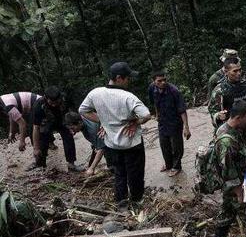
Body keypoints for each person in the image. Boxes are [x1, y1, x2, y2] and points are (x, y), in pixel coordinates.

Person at [79, 62, 151, 210]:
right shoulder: (128, 97)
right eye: (127, 78)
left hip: (112, 143)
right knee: (135, 174)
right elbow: (146, 115)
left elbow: (83, 110)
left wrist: (104, 121)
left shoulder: (95, 93)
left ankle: (121, 202)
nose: (128, 81)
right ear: (119, 78)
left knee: (119, 173)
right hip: (132, 143)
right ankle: (137, 202)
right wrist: (136, 122)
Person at [212, 100, 246, 237]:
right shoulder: (227, 141)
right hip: (236, 186)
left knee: (227, 210)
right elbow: (228, 171)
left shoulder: (234, 129)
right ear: (238, 118)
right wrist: (239, 193)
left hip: (238, 183)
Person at [210, 57, 246, 163]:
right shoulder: (220, 90)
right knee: (235, 158)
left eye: (240, 70)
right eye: (235, 71)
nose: (239, 73)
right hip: (232, 129)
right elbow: (212, 109)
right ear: (226, 72)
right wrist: (217, 115)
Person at [148, 70, 191, 177]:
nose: (163, 82)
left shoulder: (174, 91)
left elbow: (182, 110)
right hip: (162, 121)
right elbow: (154, 102)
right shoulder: (152, 89)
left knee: (176, 146)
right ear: (154, 82)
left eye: (164, 80)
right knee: (164, 145)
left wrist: (186, 127)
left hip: (175, 122)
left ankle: (176, 167)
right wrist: (157, 114)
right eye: (159, 81)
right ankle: (168, 164)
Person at [31, 86, 81, 172]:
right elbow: (36, 127)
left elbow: (73, 112)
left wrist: (74, 126)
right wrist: (36, 148)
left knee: (68, 137)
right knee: (42, 139)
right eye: (51, 102)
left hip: (62, 120)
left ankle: (71, 164)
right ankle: (40, 166)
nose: (54, 104)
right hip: (47, 122)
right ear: (46, 98)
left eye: (56, 102)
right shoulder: (39, 105)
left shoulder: (65, 98)